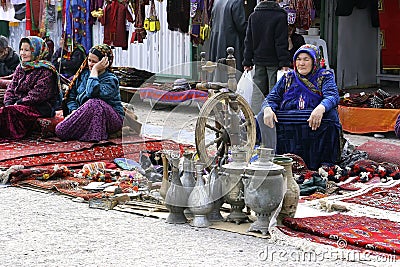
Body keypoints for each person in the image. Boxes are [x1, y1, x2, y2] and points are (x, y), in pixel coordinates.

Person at [256, 44, 342, 170]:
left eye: (306, 59)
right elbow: (272, 98)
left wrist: (320, 108)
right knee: (262, 116)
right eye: (298, 59)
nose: (301, 63)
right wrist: (267, 108)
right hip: (290, 117)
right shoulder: (288, 77)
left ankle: (326, 162)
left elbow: (332, 96)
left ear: (315, 61)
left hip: (311, 118)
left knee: (331, 116)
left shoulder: (325, 76)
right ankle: (271, 157)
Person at [55, 44, 124, 142]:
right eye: (89, 60)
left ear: (103, 63)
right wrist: (74, 111)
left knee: (94, 102)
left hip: (112, 119)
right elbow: (71, 97)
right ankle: (88, 133)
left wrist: (95, 71)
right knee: (60, 130)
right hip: (84, 115)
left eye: (94, 62)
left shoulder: (111, 80)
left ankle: (95, 137)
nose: (90, 64)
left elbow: (92, 93)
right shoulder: (83, 75)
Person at [0, 36, 61, 140]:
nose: (23, 53)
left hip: (39, 107)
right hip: (19, 103)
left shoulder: (46, 70)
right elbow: (12, 87)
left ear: (37, 51)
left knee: (10, 111)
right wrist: (8, 101)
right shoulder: (21, 67)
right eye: (21, 49)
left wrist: (19, 102)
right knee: (7, 109)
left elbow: (38, 95)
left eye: (27, 50)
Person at [243, 0, 291, 111]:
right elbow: (281, 42)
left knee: (257, 92)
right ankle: (272, 119)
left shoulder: (254, 15)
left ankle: (254, 119)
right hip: (274, 61)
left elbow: (248, 41)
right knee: (274, 92)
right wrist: (284, 62)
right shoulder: (280, 15)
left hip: (258, 60)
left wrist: (247, 61)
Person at [209, 0, 247, 72]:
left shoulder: (217, 1)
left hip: (217, 41)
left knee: (218, 73)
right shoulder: (236, 1)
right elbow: (241, 25)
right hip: (230, 42)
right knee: (232, 73)